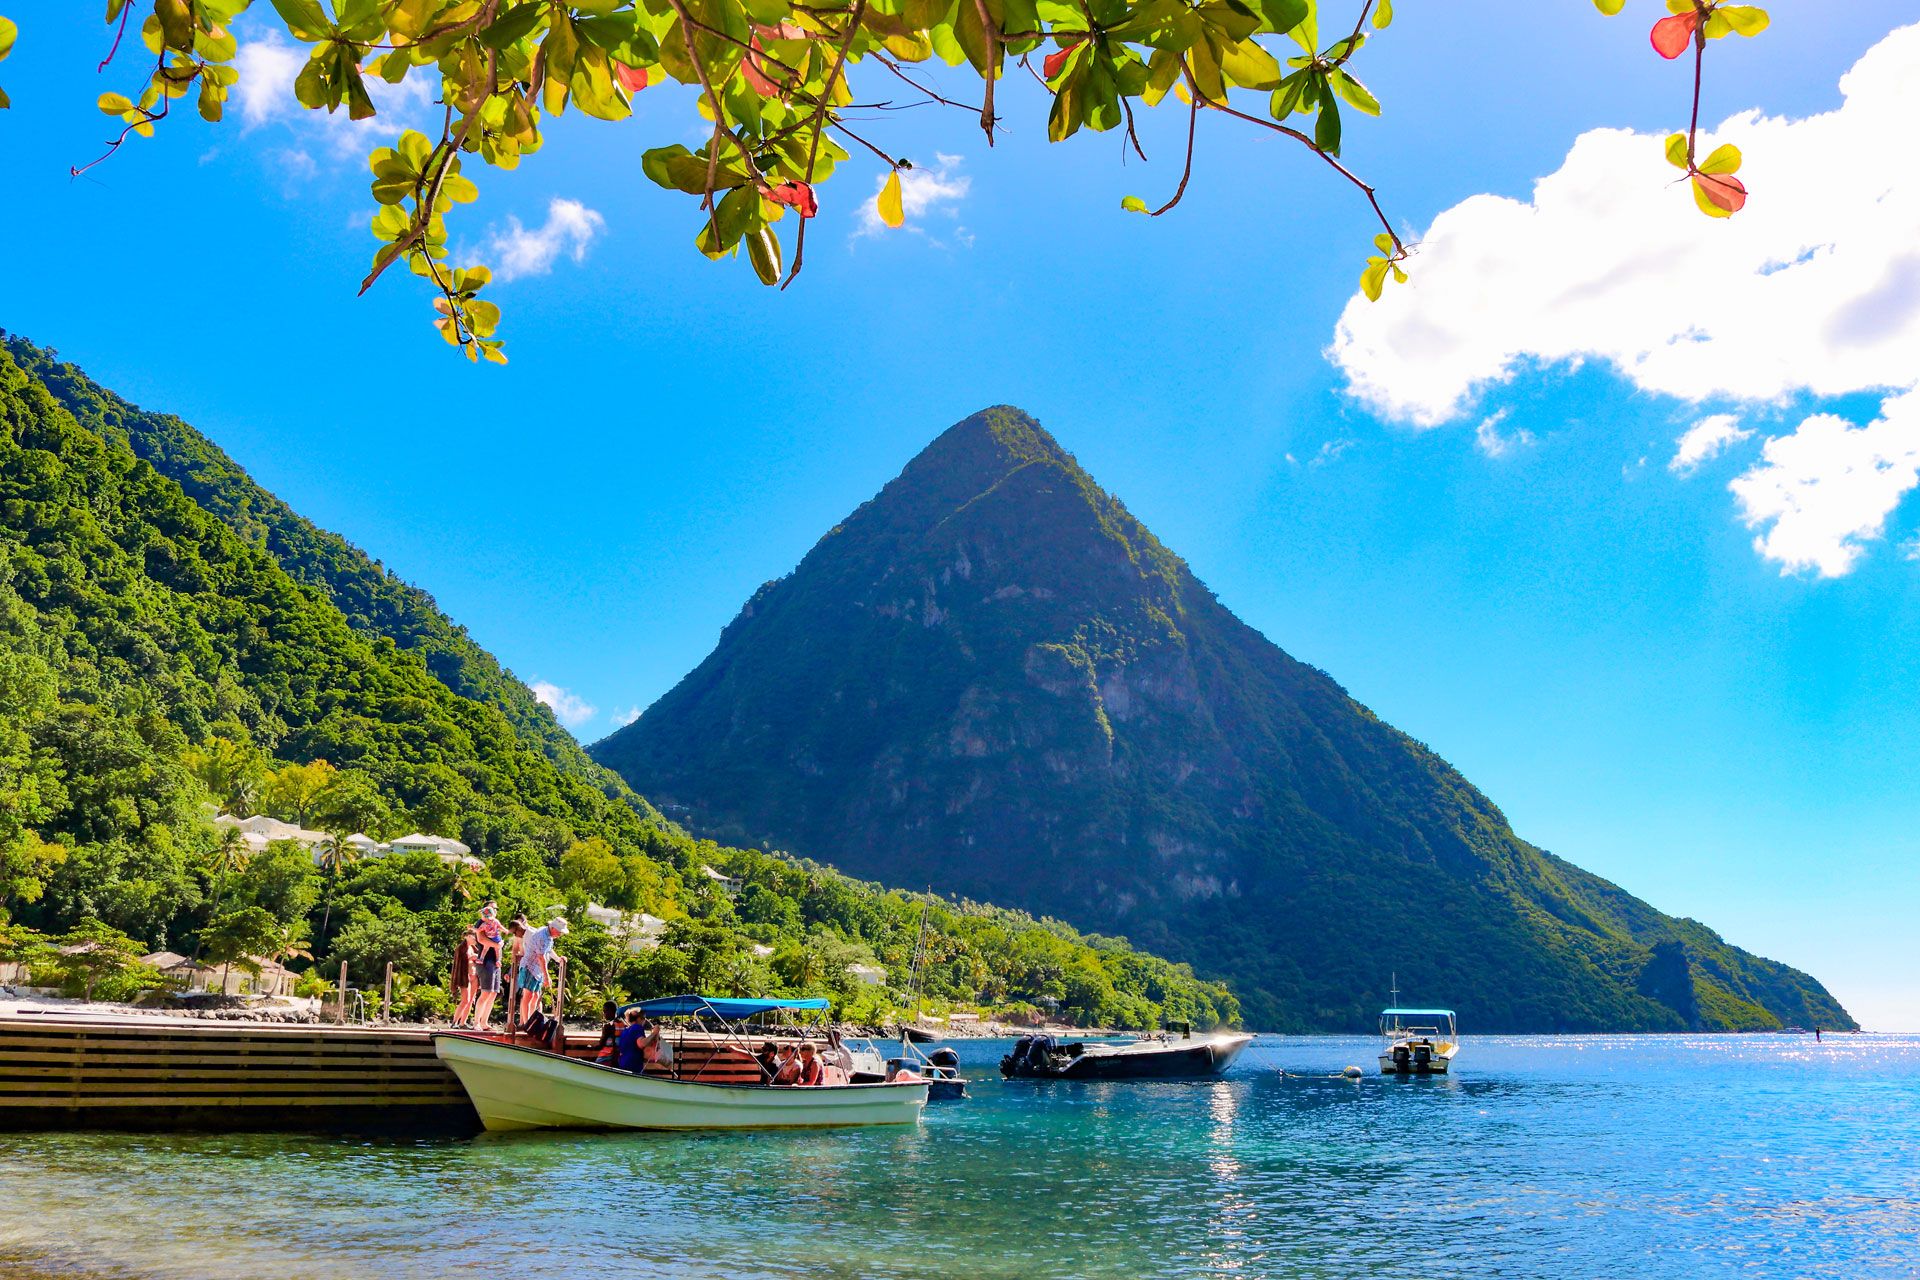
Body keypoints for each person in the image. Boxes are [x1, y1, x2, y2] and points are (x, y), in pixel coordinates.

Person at [514, 916, 568, 1028]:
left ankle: (531, 1021)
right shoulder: (542, 936)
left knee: (535, 996)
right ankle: (525, 1023)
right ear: (553, 928)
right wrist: (546, 976)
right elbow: (541, 957)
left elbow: (548, 949)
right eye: (559, 932)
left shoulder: (548, 936)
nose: (560, 934)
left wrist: (558, 959)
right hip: (530, 967)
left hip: (537, 969)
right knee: (528, 995)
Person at [468, 904, 504, 1030]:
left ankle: (484, 1022)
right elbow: (482, 940)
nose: (494, 911)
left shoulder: (494, 922)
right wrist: (497, 945)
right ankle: (476, 1022)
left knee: (493, 993)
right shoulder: (481, 923)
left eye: (495, 909)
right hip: (485, 961)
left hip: (495, 961)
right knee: (485, 992)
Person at [450, 927, 478, 1028]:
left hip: (474, 975)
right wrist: (471, 957)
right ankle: (454, 1022)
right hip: (464, 976)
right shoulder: (461, 948)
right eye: (473, 937)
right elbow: (459, 963)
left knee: (471, 1000)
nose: (475, 939)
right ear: (467, 937)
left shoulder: (473, 948)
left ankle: (463, 1023)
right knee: (465, 1000)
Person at [594, 1000, 621, 1064]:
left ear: (611, 1011)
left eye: (605, 1011)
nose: (604, 1013)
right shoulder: (623, 1024)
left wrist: (591, 1047)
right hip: (619, 1058)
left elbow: (601, 1044)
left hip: (606, 1058)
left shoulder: (608, 1026)